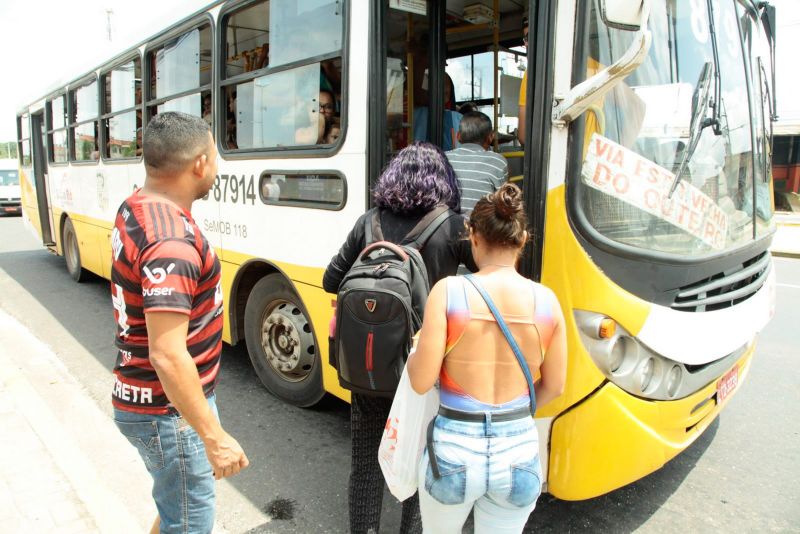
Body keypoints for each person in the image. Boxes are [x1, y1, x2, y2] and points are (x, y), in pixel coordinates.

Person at [323, 142, 477, 534]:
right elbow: (487, 275)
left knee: (366, 461)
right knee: (419, 455)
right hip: (427, 366)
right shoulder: (454, 225)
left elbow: (330, 279)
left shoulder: (368, 222)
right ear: (442, 179)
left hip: (370, 364)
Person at [110, 112, 249, 534]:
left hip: (155, 402)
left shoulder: (137, 206)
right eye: (215, 154)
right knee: (188, 522)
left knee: (176, 511)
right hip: (168, 411)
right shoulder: (171, 241)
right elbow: (168, 354)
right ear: (200, 163)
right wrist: (213, 435)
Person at [407, 183, 567, 534]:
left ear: (473, 237)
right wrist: (511, 416)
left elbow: (420, 382)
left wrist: (414, 352)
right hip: (519, 455)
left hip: (453, 453)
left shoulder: (449, 291)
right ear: (523, 239)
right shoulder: (547, 302)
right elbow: (555, 385)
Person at [446, 111, 509, 214]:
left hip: (449, 226)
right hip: (482, 227)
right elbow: (503, 202)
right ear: (491, 137)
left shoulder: (444, 158)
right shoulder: (498, 161)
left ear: (458, 136)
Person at [518, 17, 529, 146]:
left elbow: (523, 136)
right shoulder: (601, 68)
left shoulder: (532, 73)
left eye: (529, 37)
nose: (526, 44)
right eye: (525, 39)